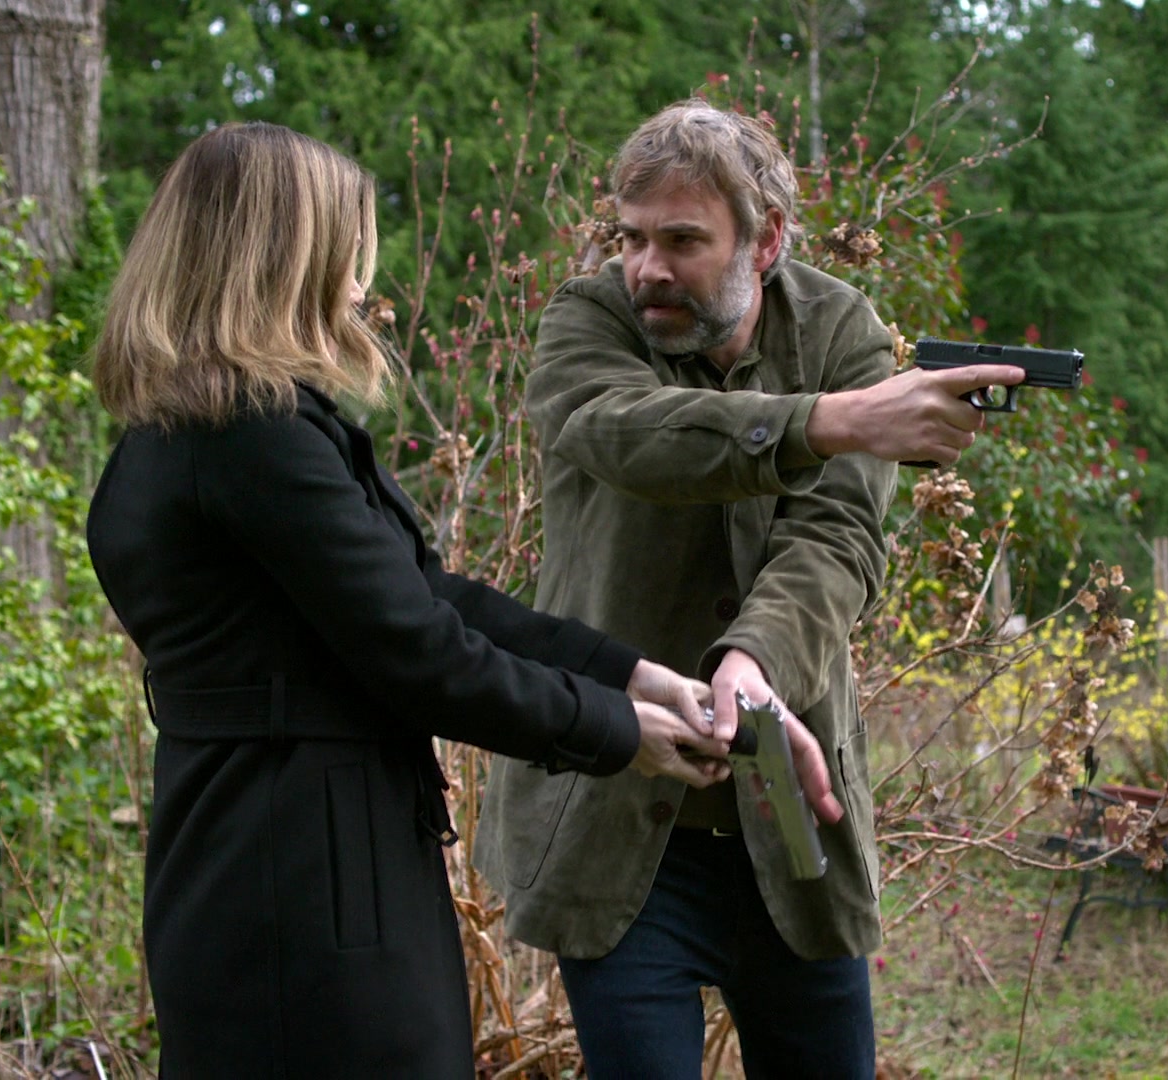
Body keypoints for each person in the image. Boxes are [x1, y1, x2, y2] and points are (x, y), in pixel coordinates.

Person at [84, 121, 732, 1078]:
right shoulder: (251, 436)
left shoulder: (193, 429)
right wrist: (617, 730)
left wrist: (629, 675)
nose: (359, 289)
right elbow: (418, 651)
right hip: (306, 884)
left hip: (274, 852)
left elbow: (426, 598)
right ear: (284, 260)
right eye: (348, 259)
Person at [475, 101, 1025, 1078]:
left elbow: (837, 538)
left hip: (789, 825)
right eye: (632, 238)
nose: (648, 267)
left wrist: (755, 660)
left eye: (683, 241)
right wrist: (827, 422)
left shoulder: (841, 329)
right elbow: (629, 436)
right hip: (617, 816)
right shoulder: (589, 320)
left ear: (764, 240)